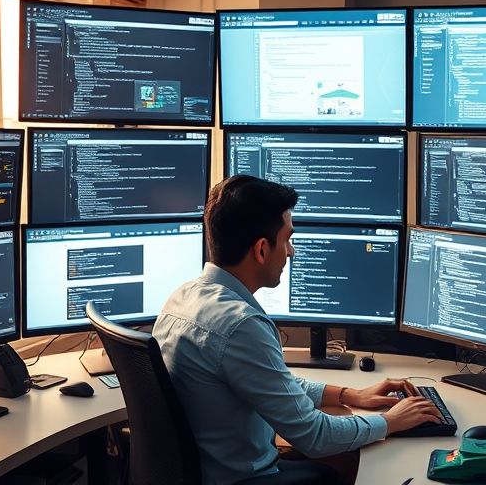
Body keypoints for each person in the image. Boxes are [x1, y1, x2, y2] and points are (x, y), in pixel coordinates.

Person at [153, 175, 441, 485]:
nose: (291, 251)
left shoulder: (182, 297)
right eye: (288, 238)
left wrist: (349, 394)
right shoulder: (241, 325)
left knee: (340, 468)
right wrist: (389, 421)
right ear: (262, 249)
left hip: (207, 471)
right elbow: (314, 436)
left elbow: (272, 384)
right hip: (242, 479)